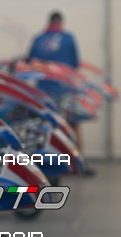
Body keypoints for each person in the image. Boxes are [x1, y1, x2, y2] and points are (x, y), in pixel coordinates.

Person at [27, 12, 95, 176]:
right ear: (61, 23)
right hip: (65, 89)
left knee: (45, 126)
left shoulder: (38, 39)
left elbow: (29, 64)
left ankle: (44, 166)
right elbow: (74, 65)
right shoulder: (68, 38)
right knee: (73, 125)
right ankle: (79, 165)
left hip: (43, 90)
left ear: (49, 22)